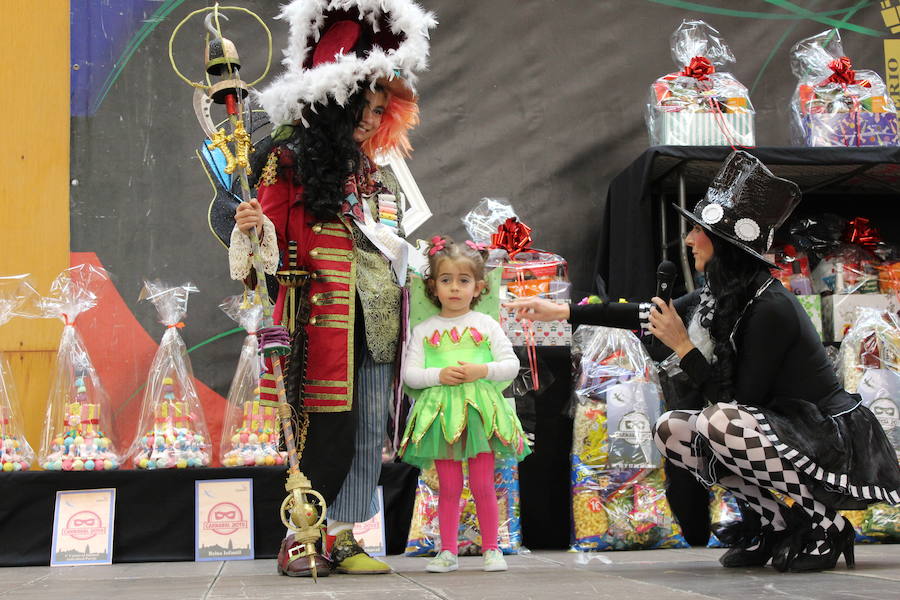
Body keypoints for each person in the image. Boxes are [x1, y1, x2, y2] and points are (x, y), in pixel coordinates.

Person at [507, 151, 900, 572]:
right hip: (778, 426)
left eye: (697, 231)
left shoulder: (772, 307)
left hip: (824, 434)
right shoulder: (722, 295)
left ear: (726, 244)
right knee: (672, 429)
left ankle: (826, 525)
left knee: (718, 422)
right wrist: (563, 312)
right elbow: (646, 313)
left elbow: (736, 399)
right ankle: (777, 522)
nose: (689, 240)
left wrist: (683, 347)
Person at [227, 0, 436, 577]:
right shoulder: (286, 157)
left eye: (378, 110)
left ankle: (345, 537)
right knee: (324, 429)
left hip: (376, 318)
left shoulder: (373, 169)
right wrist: (255, 232)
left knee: (370, 429)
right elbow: (260, 251)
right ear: (336, 103)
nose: (371, 120)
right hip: (321, 320)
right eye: (362, 109)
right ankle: (301, 538)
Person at [400, 237, 531, 573]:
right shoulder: (424, 329)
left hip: (478, 415)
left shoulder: (486, 325)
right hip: (442, 417)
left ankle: (492, 548)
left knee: (484, 483)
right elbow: (410, 375)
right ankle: (447, 551)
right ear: (433, 287)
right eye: (446, 280)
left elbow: (511, 365)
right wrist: (439, 375)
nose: (455, 288)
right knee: (449, 486)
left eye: (463, 280)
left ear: (478, 287)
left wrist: (480, 371)